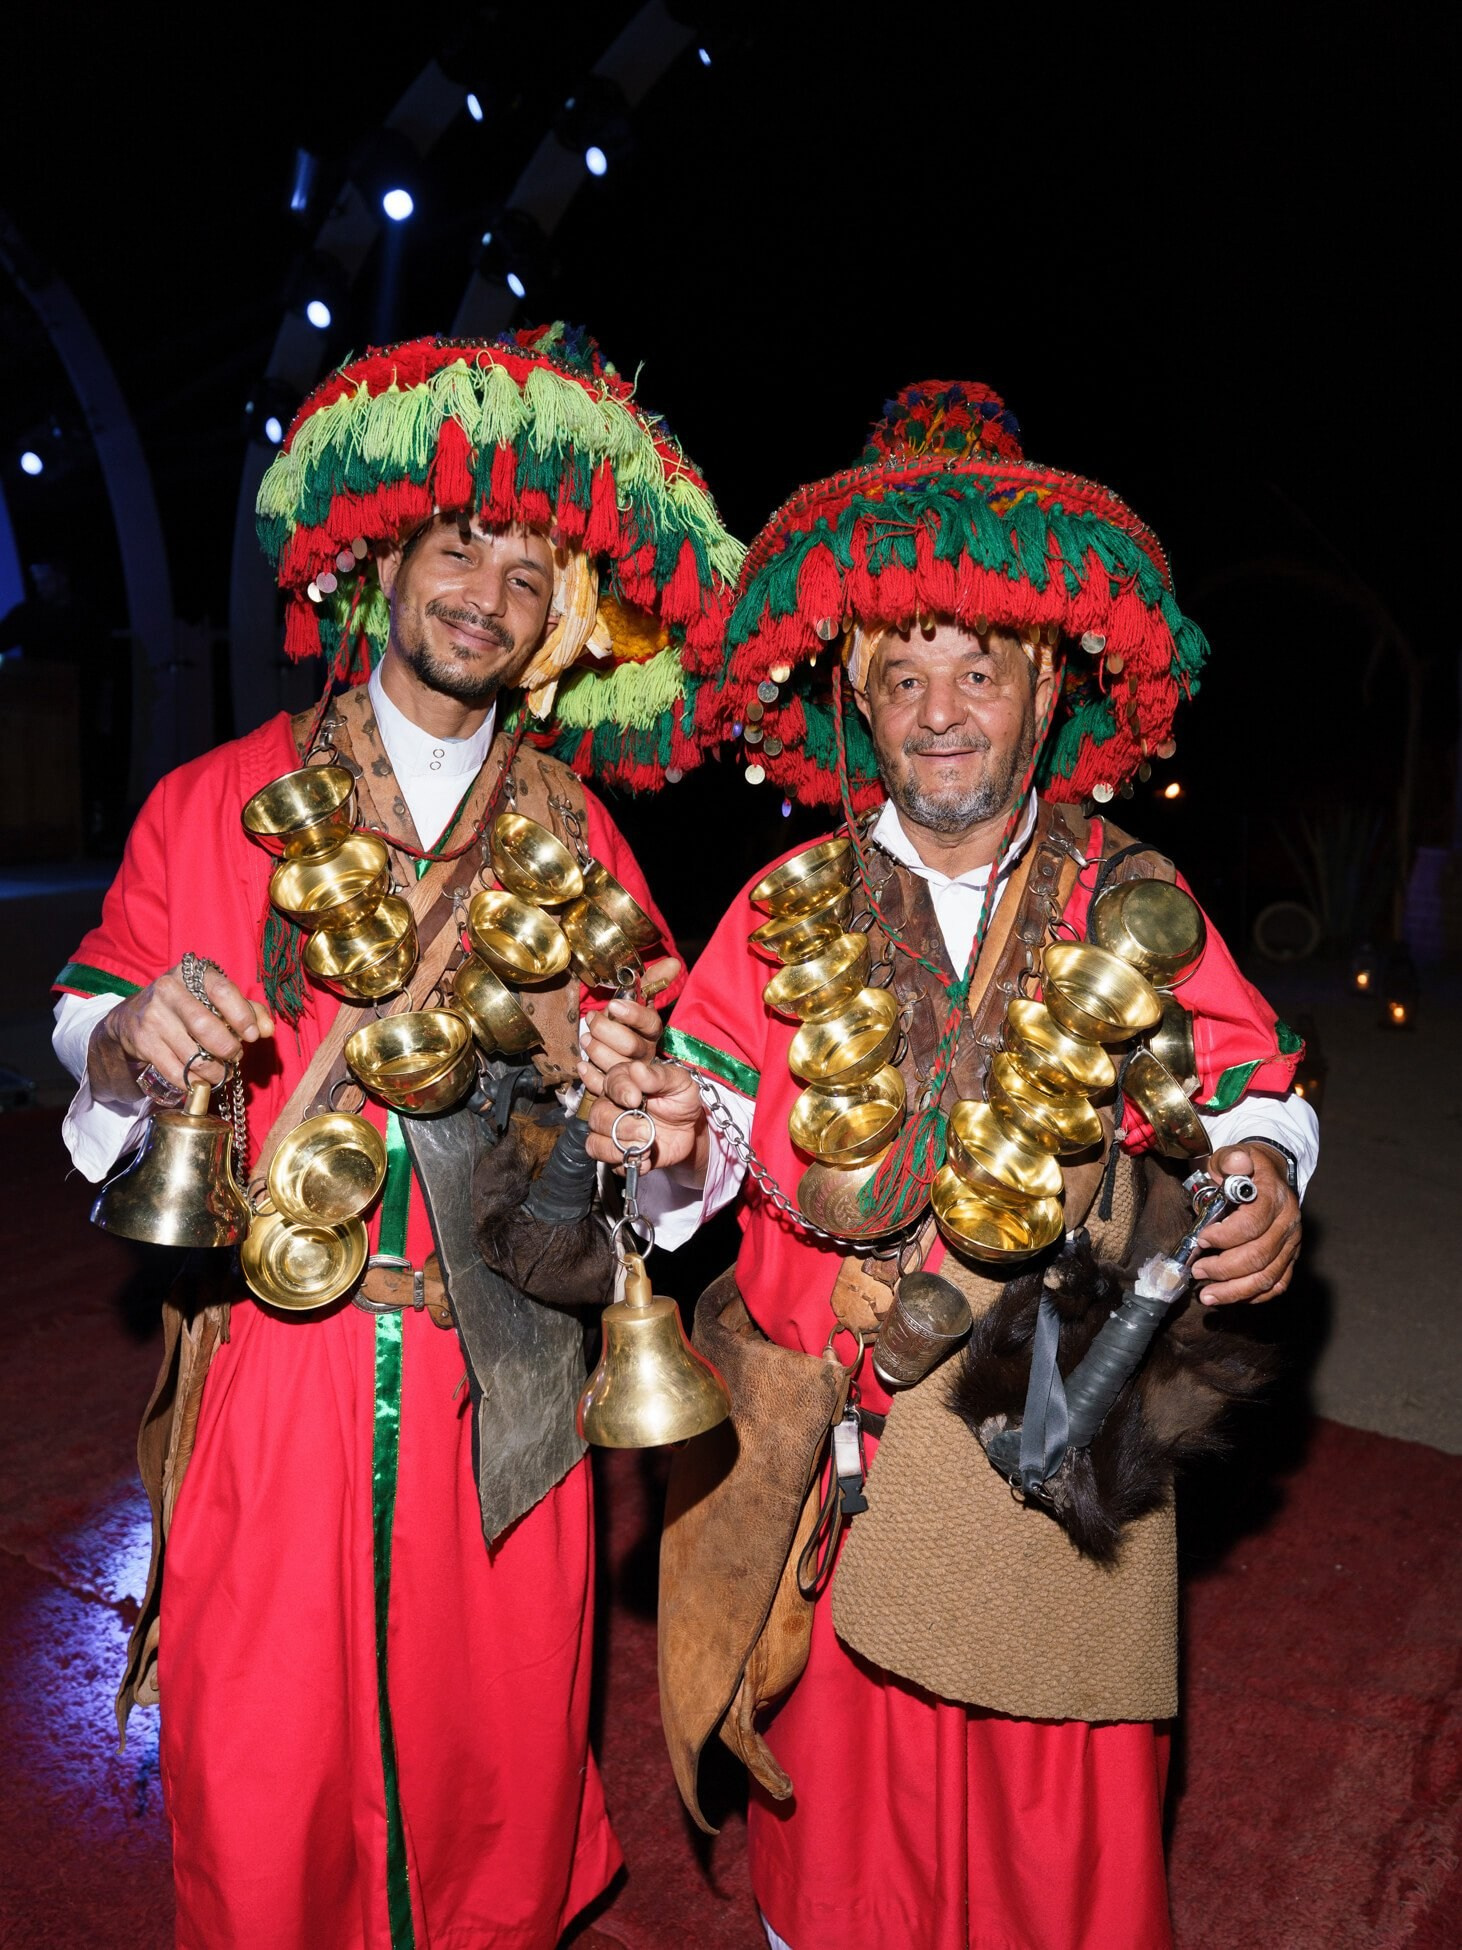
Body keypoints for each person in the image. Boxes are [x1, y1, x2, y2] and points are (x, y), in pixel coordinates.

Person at [588, 381, 1317, 1950]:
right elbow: (697, 1142)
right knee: (846, 1870)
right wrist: (662, 1139)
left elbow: (1252, 1087)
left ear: (1046, 689)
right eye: (899, 675)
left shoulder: (1130, 895)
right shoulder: (778, 904)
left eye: (976, 671)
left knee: (1063, 1856)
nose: (937, 712)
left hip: (1051, 1463)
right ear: (855, 698)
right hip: (839, 1476)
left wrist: (1262, 1172)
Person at [52, 324, 742, 1950]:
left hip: (503, 1380)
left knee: (487, 1775)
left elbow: (672, 1136)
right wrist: (131, 1038)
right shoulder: (212, 799)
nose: (487, 595)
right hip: (272, 1373)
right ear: (380, 560)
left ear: (557, 623)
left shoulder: (583, 840)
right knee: (261, 1766)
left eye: (528, 574)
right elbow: (86, 1017)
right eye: (461, 546)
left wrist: (664, 1128)